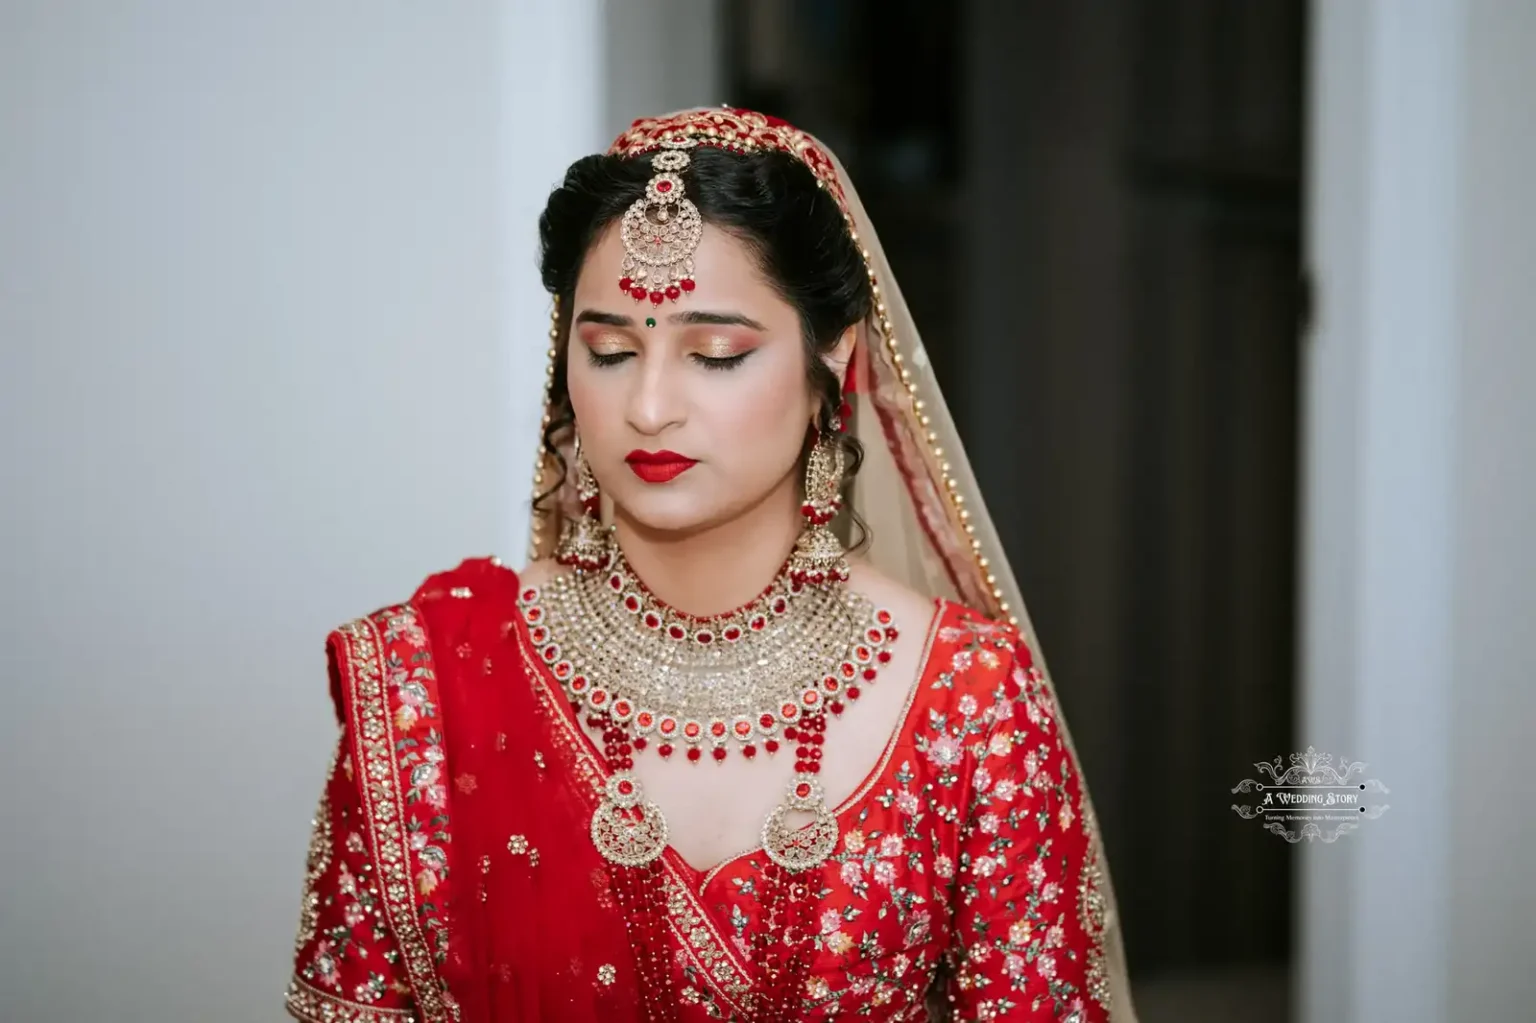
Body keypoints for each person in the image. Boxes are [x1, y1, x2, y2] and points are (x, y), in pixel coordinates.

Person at [283, 108, 1137, 1023]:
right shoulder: (427, 684)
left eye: (716, 354)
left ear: (833, 355)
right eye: (609, 351)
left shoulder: (965, 698)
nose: (649, 406)